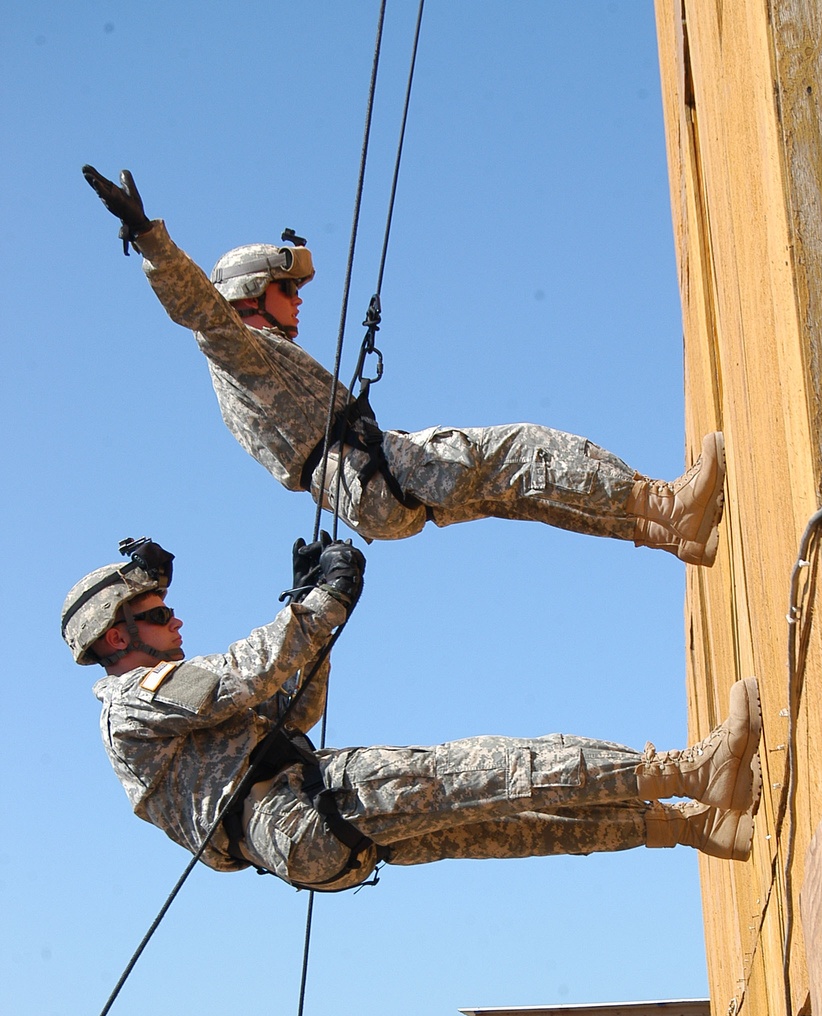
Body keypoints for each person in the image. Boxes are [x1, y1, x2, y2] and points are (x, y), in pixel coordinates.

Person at [82, 166, 728, 560]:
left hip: (374, 489)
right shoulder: (234, 350)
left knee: (521, 495)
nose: (299, 304)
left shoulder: (251, 366)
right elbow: (199, 313)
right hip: (377, 471)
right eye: (288, 291)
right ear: (253, 297)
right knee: (520, 452)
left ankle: (671, 533)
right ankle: (667, 504)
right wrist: (152, 241)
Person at [62, 540, 762, 892]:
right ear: (114, 639)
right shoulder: (132, 701)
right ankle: (694, 773)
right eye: (155, 615)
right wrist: (317, 603)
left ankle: (696, 826)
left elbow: (290, 704)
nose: (175, 618)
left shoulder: (160, 704)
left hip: (309, 833)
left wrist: (320, 623)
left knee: (506, 826)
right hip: (302, 819)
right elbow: (235, 680)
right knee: (491, 770)